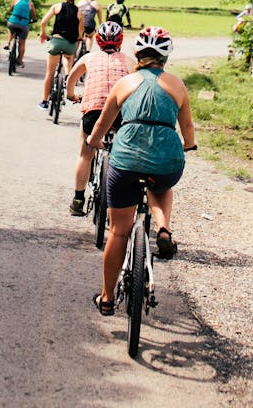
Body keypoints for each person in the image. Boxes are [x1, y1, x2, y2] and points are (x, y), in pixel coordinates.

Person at [86, 26, 197, 316]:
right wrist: (189, 145)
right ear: (166, 56)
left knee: (118, 231)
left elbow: (102, 125)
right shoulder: (177, 85)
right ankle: (163, 228)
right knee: (161, 185)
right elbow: (187, 129)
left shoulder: (125, 83)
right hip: (167, 163)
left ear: (137, 52)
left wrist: (92, 142)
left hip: (125, 163)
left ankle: (108, 297)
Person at [65, 21, 135, 215]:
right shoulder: (129, 61)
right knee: (123, 153)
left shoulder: (89, 57)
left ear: (97, 40)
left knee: (85, 154)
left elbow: (71, 78)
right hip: (121, 112)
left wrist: (71, 95)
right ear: (120, 41)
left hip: (93, 110)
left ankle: (78, 200)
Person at [37, 0, 81, 110]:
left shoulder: (57, 6)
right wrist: (79, 37)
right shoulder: (79, 12)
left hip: (56, 42)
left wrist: (43, 34)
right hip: (70, 45)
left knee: (50, 73)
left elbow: (43, 22)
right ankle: (67, 76)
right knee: (69, 56)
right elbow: (80, 32)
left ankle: (44, 101)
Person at [4, 0, 37, 66]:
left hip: (13, 21)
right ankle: (20, 60)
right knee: (22, 43)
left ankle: (8, 43)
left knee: (10, 29)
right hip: (24, 24)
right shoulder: (30, 4)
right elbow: (34, 16)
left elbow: (10, 9)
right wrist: (33, 20)